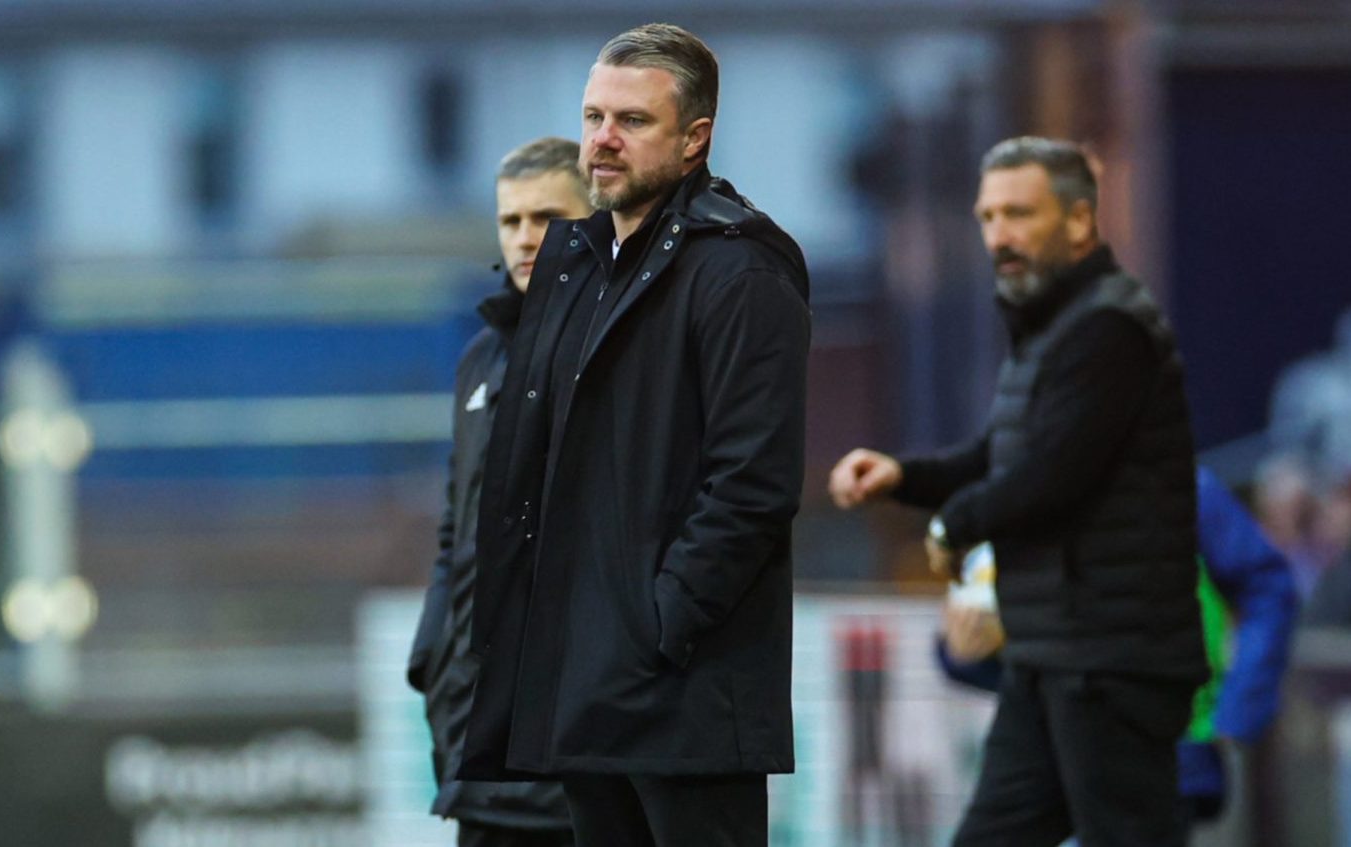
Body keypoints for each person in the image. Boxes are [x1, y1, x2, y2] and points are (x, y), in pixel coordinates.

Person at [458, 23, 811, 847]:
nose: (602, 141)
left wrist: (661, 623)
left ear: (695, 138)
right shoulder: (577, 261)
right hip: (586, 683)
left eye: (631, 121)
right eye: (591, 117)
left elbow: (752, 483)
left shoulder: (741, 269)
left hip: (682, 685)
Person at [829, 136, 1208, 847]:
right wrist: (903, 476)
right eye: (987, 217)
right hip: (1052, 651)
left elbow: (1053, 478)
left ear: (1076, 220)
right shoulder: (1053, 326)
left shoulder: (1107, 327)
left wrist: (952, 526)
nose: (998, 236)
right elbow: (1002, 455)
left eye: (1018, 214)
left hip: (1108, 656)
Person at [936, 466, 1299, 833]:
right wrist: (963, 654)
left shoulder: (1184, 488)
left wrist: (1241, 706)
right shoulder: (1021, 490)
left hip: (1165, 746)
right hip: (1052, 755)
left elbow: (1268, 588)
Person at [406, 137, 592, 847]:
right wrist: (435, 656)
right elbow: (458, 526)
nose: (523, 238)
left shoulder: (623, 344)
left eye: (546, 217)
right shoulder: (480, 357)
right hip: (480, 745)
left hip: (582, 749)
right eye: (510, 220)